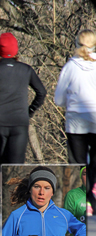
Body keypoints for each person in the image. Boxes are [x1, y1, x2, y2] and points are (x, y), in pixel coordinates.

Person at [0, 32, 47, 165]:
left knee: (2, 165)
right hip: (19, 122)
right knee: (16, 166)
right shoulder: (26, 70)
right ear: (16, 50)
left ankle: (0, 185)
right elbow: (41, 92)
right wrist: (30, 111)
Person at [54, 29, 96, 209]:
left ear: (77, 44)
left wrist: (69, 102)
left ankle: (81, 199)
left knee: (78, 163)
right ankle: (91, 197)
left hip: (75, 121)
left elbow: (58, 99)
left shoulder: (70, 66)